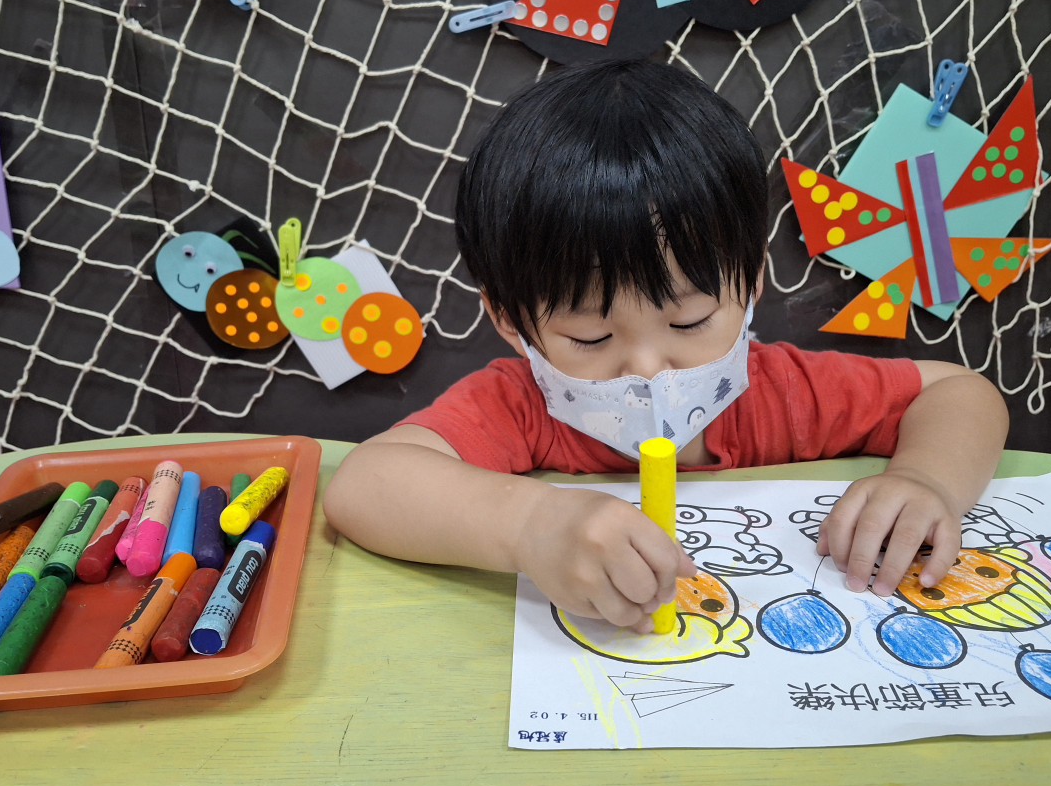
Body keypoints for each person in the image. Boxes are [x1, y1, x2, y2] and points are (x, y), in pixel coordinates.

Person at [324, 59, 1008, 634]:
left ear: (751, 283)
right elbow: (362, 487)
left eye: (691, 322)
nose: (648, 367)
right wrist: (529, 525)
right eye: (590, 336)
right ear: (509, 320)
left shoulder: (786, 394)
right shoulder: (519, 406)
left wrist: (926, 481)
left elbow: (959, 392)